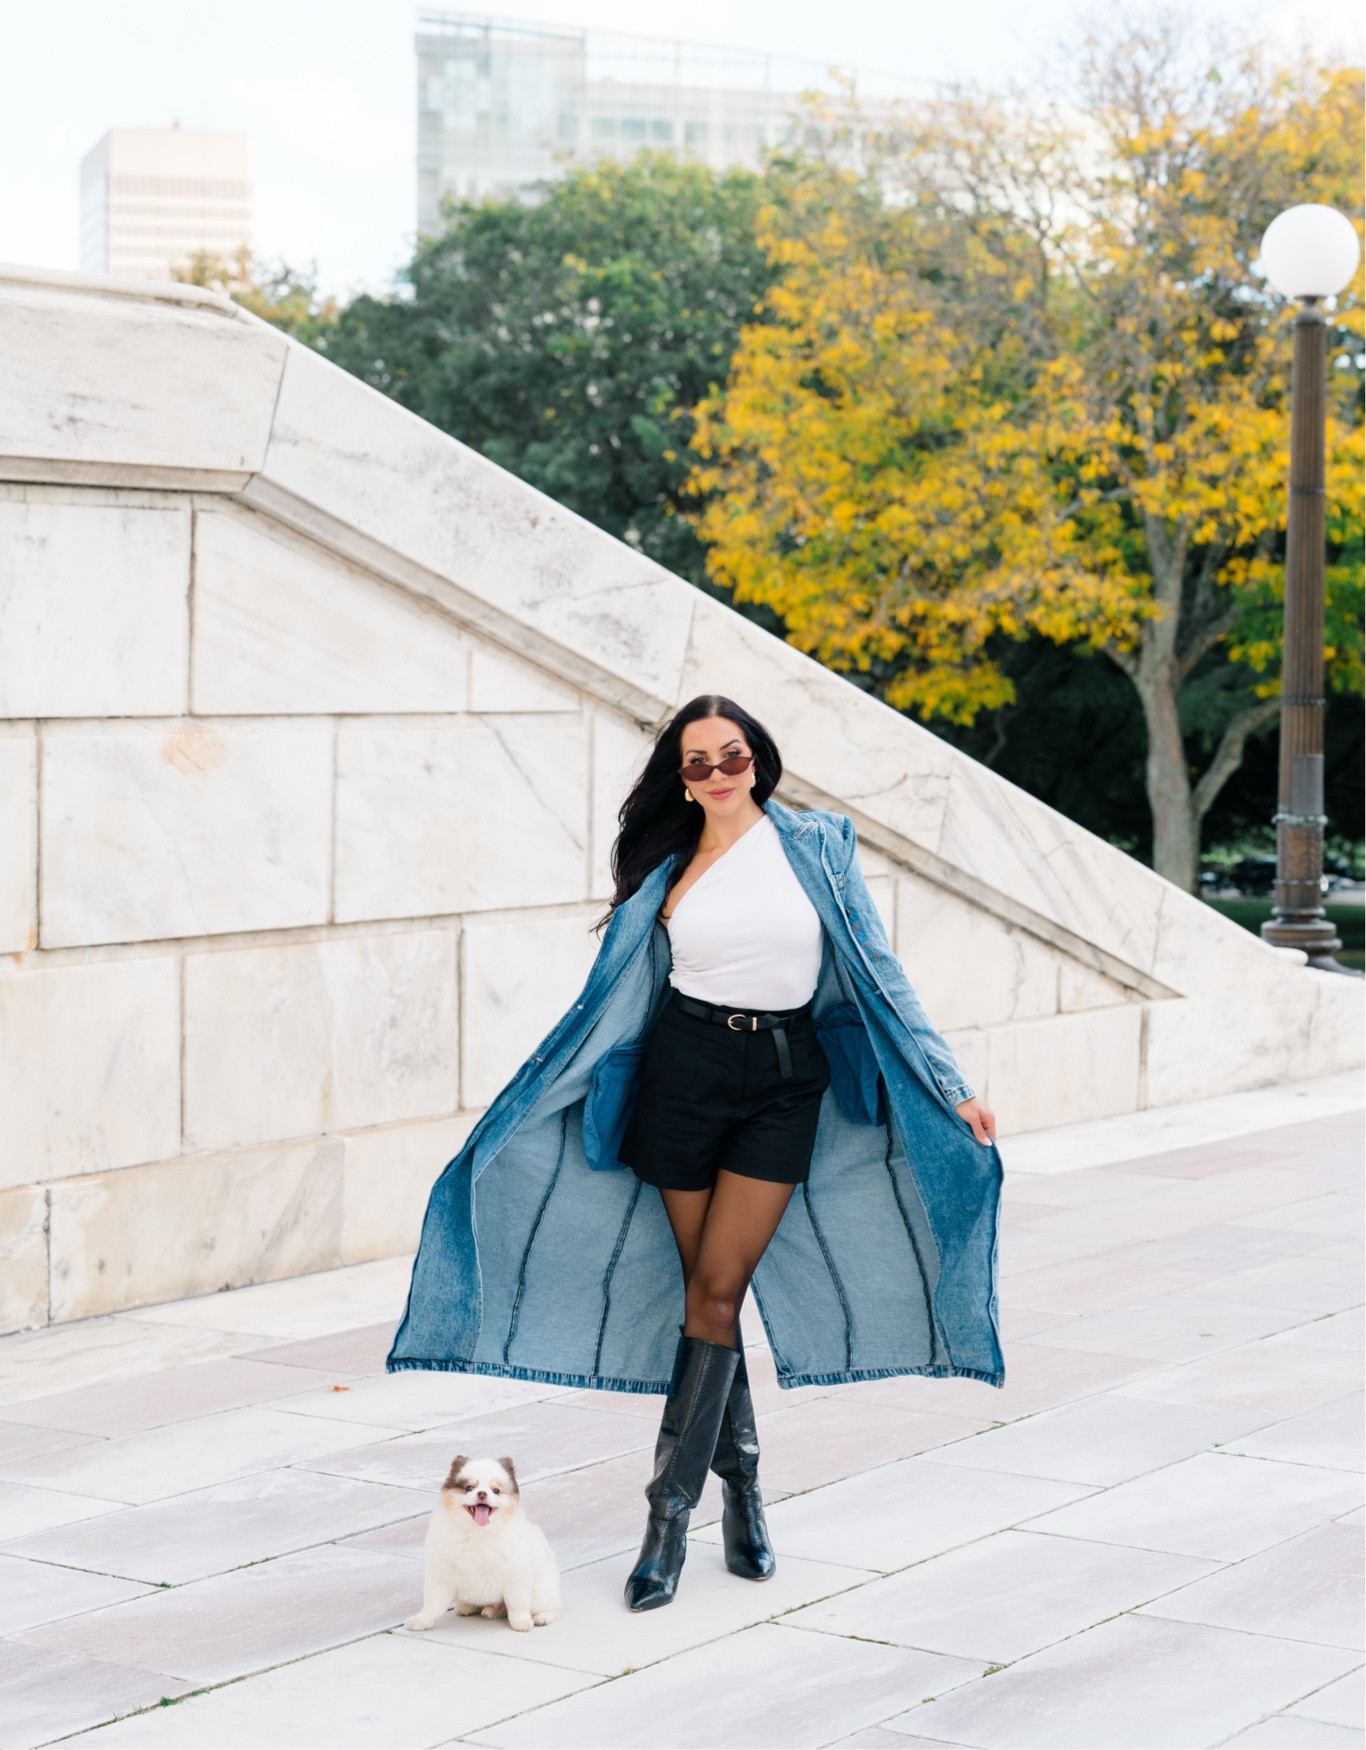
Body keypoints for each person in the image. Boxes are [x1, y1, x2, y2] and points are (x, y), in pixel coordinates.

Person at [388, 694, 1002, 1614]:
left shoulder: (819, 845)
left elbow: (880, 970)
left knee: (720, 1288)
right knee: (706, 1299)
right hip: (683, 1075)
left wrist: (949, 1082)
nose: (717, 775)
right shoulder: (667, 868)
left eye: (732, 756)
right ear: (680, 778)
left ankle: (667, 1517)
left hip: (785, 1081)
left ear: (759, 757)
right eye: (697, 764)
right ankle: (739, 1493)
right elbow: (610, 1001)